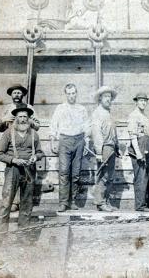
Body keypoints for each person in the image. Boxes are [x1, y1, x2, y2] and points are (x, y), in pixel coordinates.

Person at [0, 104, 44, 232]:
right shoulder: (8, 133)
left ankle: (23, 232)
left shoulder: (34, 134)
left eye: (25, 117)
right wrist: (14, 160)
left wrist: (35, 157)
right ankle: (0, 235)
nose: (23, 119)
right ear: (15, 118)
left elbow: (40, 152)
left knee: (27, 202)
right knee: (6, 202)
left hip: (29, 170)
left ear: (29, 119)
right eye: (20, 116)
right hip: (13, 170)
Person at [0, 84, 40, 212]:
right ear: (11, 95)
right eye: (14, 93)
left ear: (23, 95)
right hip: (11, 146)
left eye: (19, 93)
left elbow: (37, 126)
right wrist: (4, 119)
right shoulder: (7, 109)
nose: (17, 95)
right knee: (12, 176)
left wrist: (26, 119)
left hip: (26, 143)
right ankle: (14, 202)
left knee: (26, 176)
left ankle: (25, 202)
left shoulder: (29, 108)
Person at [50, 83, 90, 212]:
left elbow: (86, 127)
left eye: (73, 93)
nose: (71, 96)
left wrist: (86, 143)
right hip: (65, 140)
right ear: (66, 94)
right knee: (64, 172)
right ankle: (63, 202)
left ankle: (72, 201)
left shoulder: (82, 109)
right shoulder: (60, 108)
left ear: (76, 94)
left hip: (79, 140)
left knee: (76, 173)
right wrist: (52, 141)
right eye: (69, 93)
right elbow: (54, 125)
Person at [127, 92, 149, 212]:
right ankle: (140, 206)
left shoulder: (145, 117)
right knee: (141, 178)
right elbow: (132, 136)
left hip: (148, 149)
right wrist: (138, 153)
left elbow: (148, 136)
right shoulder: (133, 116)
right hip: (138, 150)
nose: (143, 102)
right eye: (141, 100)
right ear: (136, 102)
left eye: (145, 100)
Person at [90, 86, 120, 212]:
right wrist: (98, 152)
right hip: (104, 148)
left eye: (110, 97)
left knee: (110, 176)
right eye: (106, 97)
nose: (108, 99)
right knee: (103, 175)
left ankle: (106, 201)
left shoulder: (108, 113)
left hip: (112, 147)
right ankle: (100, 202)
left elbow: (113, 132)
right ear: (100, 98)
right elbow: (97, 134)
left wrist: (117, 147)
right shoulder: (97, 113)